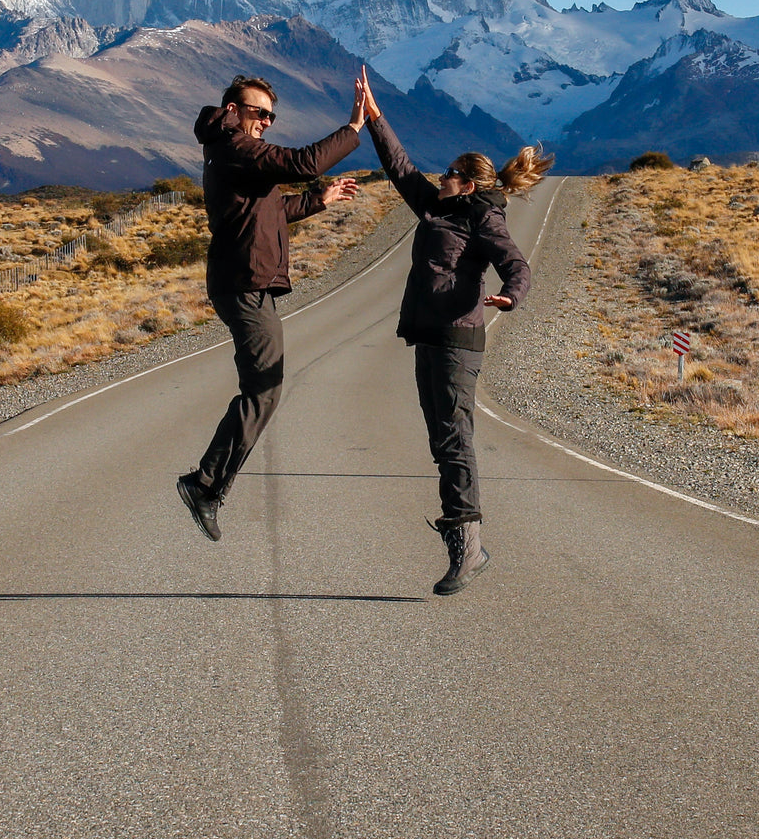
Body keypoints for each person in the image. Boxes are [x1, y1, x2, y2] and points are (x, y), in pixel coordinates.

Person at [356, 66, 552, 594]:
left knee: (454, 438)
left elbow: (518, 264)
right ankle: (467, 542)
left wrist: (512, 295)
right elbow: (399, 167)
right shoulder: (435, 207)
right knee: (442, 441)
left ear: (467, 184)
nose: (438, 178)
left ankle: (467, 545)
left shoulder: (481, 218)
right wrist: (374, 116)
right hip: (430, 338)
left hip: (459, 340)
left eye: (447, 174)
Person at [177, 74, 365, 541]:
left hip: (247, 284)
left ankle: (206, 484)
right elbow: (303, 162)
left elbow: (269, 212)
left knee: (265, 386)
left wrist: (320, 200)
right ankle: (204, 485)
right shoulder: (233, 147)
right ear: (233, 109)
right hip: (242, 284)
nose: (266, 121)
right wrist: (355, 128)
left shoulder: (234, 152)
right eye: (258, 112)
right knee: (264, 387)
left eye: (270, 115)